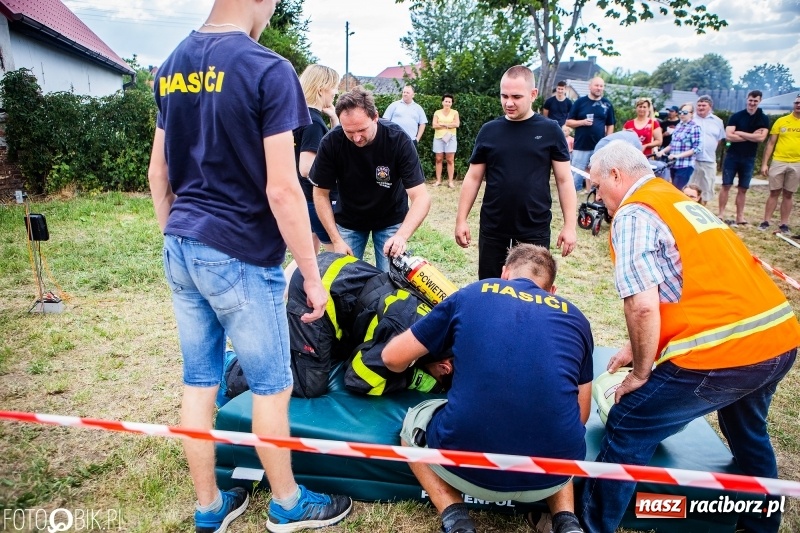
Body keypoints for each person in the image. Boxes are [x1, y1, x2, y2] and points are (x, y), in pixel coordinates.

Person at [147, 1, 352, 532]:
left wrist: (179, 232)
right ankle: (287, 503)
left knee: (199, 381)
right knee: (270, 385)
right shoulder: (267, 68)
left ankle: (210, 505)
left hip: (182, 241)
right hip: (238, 251)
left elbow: (157, 173)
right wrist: (311, 273)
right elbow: (284, 189)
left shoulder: (171, 63)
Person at [582, 141, 800, 533]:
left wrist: (641, 372)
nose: (597, 196)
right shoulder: (673, 198)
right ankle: (762, 526)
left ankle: (591, 525)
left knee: (631, 421)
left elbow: (643, 305)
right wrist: (638, 344)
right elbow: (688, 281)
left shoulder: (634, 213)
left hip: (726, 350)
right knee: (748, 432)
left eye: (597, 186)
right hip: (777, 338)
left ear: (616, 175)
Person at [383, 244, 593, 533]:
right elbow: (581, 414)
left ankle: (455, 518)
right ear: (552, 290)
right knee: (558, 426)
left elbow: (392, 359)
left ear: (504, 274)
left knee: (412, 426)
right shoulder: (577, 319)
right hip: (549, 478)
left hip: (464, 470)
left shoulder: (473, 293)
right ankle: (567, 521)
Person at [455, 65, 577, 280]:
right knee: (490, 287)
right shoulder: (489, 131)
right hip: (494, 225)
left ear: (533, 94)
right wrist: (461, 219)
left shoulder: (550, 130)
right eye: (504, 96)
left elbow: (565, 180)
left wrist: (570, 226)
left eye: (516, 96)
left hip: (534, 226)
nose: (508, 103)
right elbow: (473, 178)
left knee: (530, 290)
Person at [286, 252, 453, 398]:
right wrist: (418, 380)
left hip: (347, 273)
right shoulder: (406, 334)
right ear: (444, 368)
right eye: (437, 377)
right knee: (308, 387)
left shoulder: (452, 324)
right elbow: (358, 379)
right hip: (318, 291)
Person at [310, 87, 431, 272]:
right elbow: (320, 194)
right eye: (348, 131)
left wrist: (401, 237)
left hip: (390, 217)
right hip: (349, 219)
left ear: (375, 117)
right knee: (342, 278)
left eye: (361, 129)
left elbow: (421, 197)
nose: (356, 138)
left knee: (389, 281)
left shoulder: (398, 140)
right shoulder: (331, 142)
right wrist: (336, 240)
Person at [293, 64, 340, 252]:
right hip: (316, 199)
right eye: (334, 86)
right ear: (321, 89)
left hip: (304, 197)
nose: (336, 91)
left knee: (309, 256)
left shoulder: (300, 117)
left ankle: (291, 283)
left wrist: (334, 119)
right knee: (334, 255)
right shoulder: (314, 123)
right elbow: (306, 168)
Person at [718, 90, 770, 225]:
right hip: (732, 155)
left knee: (743, 188)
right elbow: (729, 136)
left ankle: (740, 217)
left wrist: (740, 133)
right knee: (726, 185)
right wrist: (751, 136)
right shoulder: (736, 116)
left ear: (759, 101)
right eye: (750, 100)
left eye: (755, 101)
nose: (752, 103)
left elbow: (761, 138)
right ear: (747, 99)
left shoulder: (763, 118)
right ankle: (721, 214)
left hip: (749, 157)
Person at [759, 93, 800, 234]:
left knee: (789, 194)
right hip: (779, 161)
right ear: (793, 104)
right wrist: (765, 164)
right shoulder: (782, 121)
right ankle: (766, 221)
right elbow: (770, 143)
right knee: (774, 192)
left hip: (797, 163)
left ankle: (783, 224)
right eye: (797, 102)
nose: (798, 105)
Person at [565, 76, 616, 190]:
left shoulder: (607, 104)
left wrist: (607, 141)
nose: (599, 88)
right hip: (581, 145)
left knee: (597, 175)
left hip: (599, 146)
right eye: (596, 85)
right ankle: (572, 196)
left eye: (601, 86)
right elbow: (568, 122)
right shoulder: (580, 102)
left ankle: (593, 197)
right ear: (590, 87)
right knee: (576, 176)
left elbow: (610, 124)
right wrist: (582, 122)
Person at [688, 95, 726, 206]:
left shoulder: (718, 121)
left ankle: (703, 211)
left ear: (710, 106)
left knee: (706, 189)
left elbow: (719, 140)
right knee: (689, 188)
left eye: (703, 105)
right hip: (692, 160)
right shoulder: (691, 119)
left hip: (708, 160)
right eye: (699, 105)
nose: (700, 108)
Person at [654, 102, 701, 191]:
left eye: (685, 112)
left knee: (678, 190)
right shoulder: (679, 125)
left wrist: (678, 156)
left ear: (691, 114)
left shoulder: (695, 127)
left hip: (685, 165)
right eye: (681, 112)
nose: (682, 114)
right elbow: (673, 144)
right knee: (672, 188)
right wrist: (662, 151)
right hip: (674, 164)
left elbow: (697, 148)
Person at [432, 93, 460, 188]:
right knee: (439, 159)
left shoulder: (455, 113)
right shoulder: (437, 112)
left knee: (450, 160)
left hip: (451, 138)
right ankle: (438, 180)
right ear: (442, 102)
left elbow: (457, 124)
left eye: (449, 101)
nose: (447, 103)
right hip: (438, 138)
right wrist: (448, 124)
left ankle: (450, 181)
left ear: (451, 103)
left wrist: (442, 124)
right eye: (446, 101)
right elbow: (434, 125)